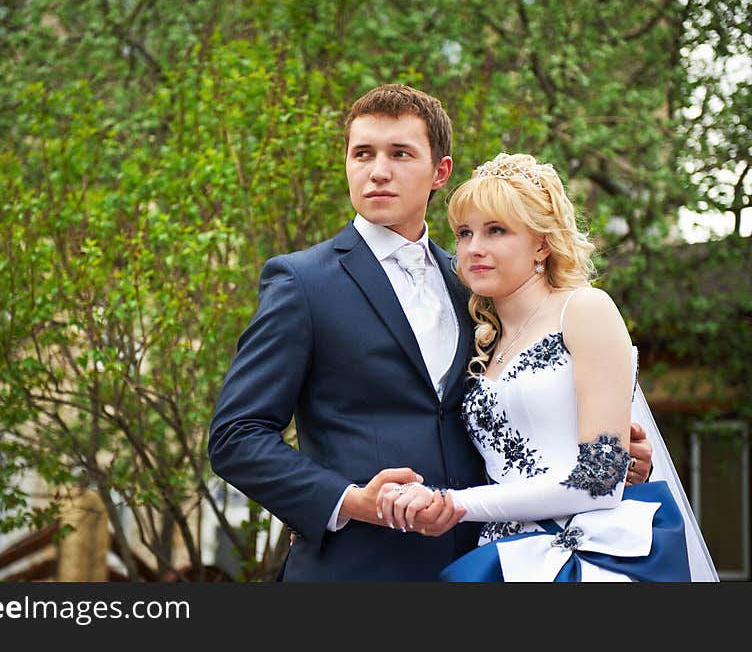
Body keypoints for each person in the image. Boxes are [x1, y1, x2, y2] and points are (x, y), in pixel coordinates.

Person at [208, 85, 652, 581]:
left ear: (440, 171)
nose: (378, 171)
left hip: (485, 564)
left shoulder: (476, 284)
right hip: (354, 567)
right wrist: (348, 502)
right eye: (363, 154)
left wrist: (606, 453)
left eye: (400, 154)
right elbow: (236, 436)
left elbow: (524, 406)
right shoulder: (301, 282)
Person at [376, 152, 718, 582]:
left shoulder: (585, 309)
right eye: (464, 233)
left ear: (541, 242)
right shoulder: (480, 339)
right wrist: (327, 503)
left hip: (593, 554)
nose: (473, 248)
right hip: (501, 557)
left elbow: (599, 478)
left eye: (496, 230)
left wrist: (457, 504)